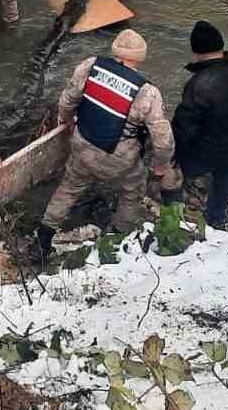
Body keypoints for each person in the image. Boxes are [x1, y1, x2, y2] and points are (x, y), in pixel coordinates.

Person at [34, 29, 176, 259]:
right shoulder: (147, 92)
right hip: (119, 159)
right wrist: (160, 167)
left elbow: (67, 100)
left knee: (69, 187)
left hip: (83, 144)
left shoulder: (91, 66)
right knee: (132, 191)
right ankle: (117, 239)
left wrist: (66, 121)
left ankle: (42, 240)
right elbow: (163, 140)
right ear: (140, 57)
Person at [165, 20, 228, 229]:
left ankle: (175, 217)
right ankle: (216, 220)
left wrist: (173, 157)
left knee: (176, 177)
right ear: (221, 45)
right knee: (225, 179)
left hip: (205, 151)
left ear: (196, 51)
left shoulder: (198, 85)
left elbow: (184, 128)